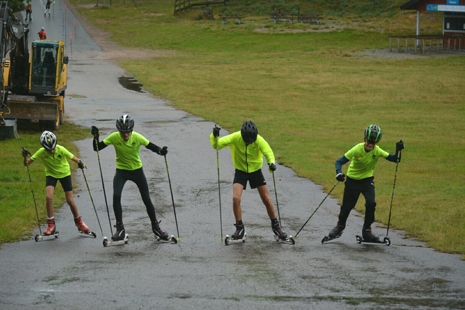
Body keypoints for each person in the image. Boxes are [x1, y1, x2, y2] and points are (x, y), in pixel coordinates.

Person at [91, 114, 170, 241]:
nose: (125, 135)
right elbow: (97, 148)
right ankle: (120, 228)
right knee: (116, 196)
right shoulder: (114, 137)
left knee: (146, 199)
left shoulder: (137, 137)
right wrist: (96, 137)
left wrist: (161, 151)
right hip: (121, 172)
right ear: (119, 131)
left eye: (127, 132)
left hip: (137, 171)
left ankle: (156, 227)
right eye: (122, 132)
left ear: (131, 130)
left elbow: (151, 146)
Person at [210, 120, 288, 241]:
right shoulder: (236, 137)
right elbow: (217, 145)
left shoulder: (259, 139)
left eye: (251, 140)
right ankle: (239, 228)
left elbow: (268, 152)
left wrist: (271, 163)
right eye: (247, 140)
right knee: (236, 198)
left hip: (256, 171)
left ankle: (276, 227)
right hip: (240, 171)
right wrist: (214, 136)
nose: (249, 142)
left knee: (266, 199)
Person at [327, 124, 404, 242]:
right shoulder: (357, 149)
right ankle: (340, 226)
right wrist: (339, 173)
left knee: (371, 203)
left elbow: (395, 159)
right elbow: (339, 162)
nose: (370, 145)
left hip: (367, 180)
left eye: (373, 143)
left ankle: (367, 231)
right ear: (364, 139)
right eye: (369, 142)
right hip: (352, 180)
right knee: (347, 207)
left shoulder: (377, 151)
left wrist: (398, 150)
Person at [22, 131, 92, 236]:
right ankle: (51, 225)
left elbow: (74, 157)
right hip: (51, 175)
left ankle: (79, 222)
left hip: (65, 173)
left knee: (70, 200)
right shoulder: (41, 151)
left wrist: (80, 163)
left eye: (53, 148)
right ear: (44, 147)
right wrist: (24, 157)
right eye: (49, 149)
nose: (52, 151)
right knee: (48, 197)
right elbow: (27, 164)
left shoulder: (61, 149)